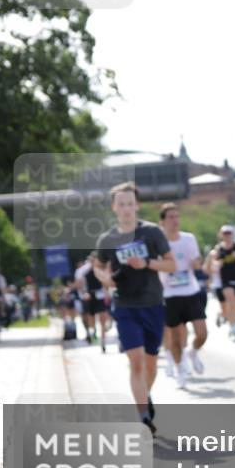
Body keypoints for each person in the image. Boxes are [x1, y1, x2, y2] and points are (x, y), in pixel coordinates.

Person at [93, 182, 176, 437]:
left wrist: (146, 263)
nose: (127, 209)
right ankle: (143, 418)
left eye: (131, 204)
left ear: (137, 205)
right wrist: (105, 279)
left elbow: (171, 265)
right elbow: (97, 265)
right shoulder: (108, 239)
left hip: (152, 304)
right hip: (126, 306)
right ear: (114, 207)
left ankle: (145, 396)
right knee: (137, 362)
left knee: (151, 363)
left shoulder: (152, 233)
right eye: (122, 204)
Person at [158, 203, 208, 390]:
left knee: (202, 333)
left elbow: (196, 261)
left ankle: (193, 352)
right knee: (177, 338)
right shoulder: (159, 244)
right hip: (170, 295)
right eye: (170, 217)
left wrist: (197, 263)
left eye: (176, 216)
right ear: (162, 222)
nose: (174, 221)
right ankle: (180, 369)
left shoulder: (189, 239)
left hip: (190, 291)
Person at [213, 225, 235, 340]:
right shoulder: (219, 249)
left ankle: (234, 322)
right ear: (221, 235)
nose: (227, 235)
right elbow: (213, 263)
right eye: (225, 233)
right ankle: (232, 327)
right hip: (225, 280)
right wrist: (218, 264)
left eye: (229, 233)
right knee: (230, 303)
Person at [76, 253, 112, 352]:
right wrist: (84, 293)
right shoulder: (85, 272)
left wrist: (107, 293)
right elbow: (80, 285)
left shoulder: (102, 271)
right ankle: (93, 332)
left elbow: (106, 283)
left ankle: (103, 341)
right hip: (90, 297)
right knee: (91, 318)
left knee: (102, 320)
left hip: (100, 296)